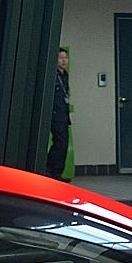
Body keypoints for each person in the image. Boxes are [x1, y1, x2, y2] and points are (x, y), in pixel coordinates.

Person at [45, 47, 71, 179]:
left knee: (63, 142)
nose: (64, 60)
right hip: (55, 114)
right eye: (61, 58)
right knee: (60, 142)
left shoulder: (64, 75)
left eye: (65, 58)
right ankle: (51, 169)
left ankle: (56, 171)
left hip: (63, 114)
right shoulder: (52, 75)